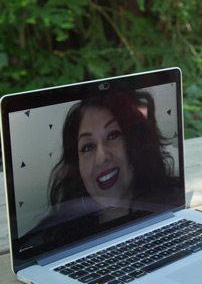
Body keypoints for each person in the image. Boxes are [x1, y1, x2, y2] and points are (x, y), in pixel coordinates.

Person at [39, 90, 179, 231]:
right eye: (88, 147)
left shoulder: (174, 209)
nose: (101, 157)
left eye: (113, 135)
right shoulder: (55, 237)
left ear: (136, 142)